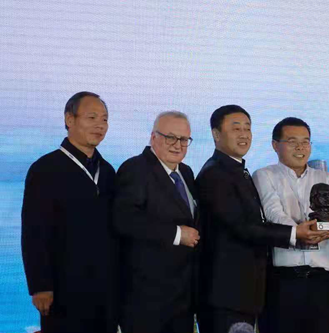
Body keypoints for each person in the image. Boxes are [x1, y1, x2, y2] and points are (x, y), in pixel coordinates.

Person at [195, 106, 328, 333]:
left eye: (247, 128)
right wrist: (295, 233)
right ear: (216, 134)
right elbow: (242, 227)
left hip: (241, 294)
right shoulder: (215, 174)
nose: (244, 134)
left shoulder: (236, 171)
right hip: (226, 295)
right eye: (236, 128)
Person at [21, 91, 118, 333]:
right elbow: (34, 231)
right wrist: (40, 286)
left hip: (105, 289)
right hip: (63, 289)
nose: (100, 125)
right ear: (69, 119)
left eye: (104, 119)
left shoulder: (108, 172)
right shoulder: (45, 169)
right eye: (92, 117)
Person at [253, 117, 329, 333]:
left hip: (320, 280)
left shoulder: (327, 178)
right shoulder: (264, 175)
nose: (300, 147)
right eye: (292, 141)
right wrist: (300, 232)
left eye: (305, 142)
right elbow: (273, 212)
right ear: (275, 145)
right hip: (282, 280)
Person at [114, 111, 200, 333]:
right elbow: (124, 219)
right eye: (170, 137)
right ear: (153, 137)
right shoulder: (135, 168)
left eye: (184, 139)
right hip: (146, 297)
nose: (178, 145)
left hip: (182, 296)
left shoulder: (186, 172)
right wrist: (176, 234)